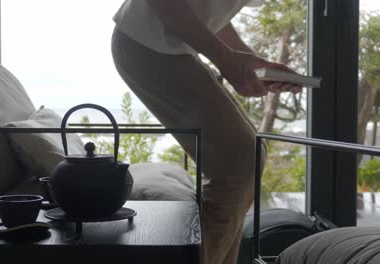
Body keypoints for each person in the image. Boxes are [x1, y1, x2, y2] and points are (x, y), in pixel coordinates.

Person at [111, 0, 301, 263]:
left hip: (162, 45)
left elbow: (208, 12)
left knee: (248, 156)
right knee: (239, 158)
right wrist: (226, 58)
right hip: (149, 42)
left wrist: (250, 62)